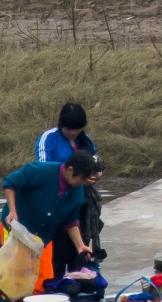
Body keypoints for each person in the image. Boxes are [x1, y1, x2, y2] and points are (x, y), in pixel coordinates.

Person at [0, 150, 95, 302]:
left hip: (42, 238)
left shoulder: (77, 190)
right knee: (13, 279)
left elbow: (71, 219)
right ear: (69, 170)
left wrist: (80, 245)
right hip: (17, 230)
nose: (83, 183)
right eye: (82, 178)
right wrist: (12, 210)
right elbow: (10, 182)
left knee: (42, 280)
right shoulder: (41, 171)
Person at [35, 102, 107, 275]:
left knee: (79, 247)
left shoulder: (86, 140)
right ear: (61, 125)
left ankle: (78, 280)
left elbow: (96, 165)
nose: (73, 133)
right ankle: (56, 282)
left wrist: (95, 176)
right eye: (69, 129)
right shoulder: (49, 138)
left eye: (78, 129)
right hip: (57, 199)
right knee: (57, 250)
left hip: (81, 200)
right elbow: (44, 167)